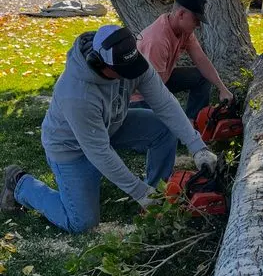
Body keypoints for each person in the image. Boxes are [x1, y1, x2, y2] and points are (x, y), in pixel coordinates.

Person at [0, 24, 217, 234]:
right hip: (71, 147)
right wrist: (138, 191)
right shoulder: (77, 94)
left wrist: (197, 147)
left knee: (163, 127)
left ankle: (158, 195)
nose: (131, 75)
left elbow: (164, 103)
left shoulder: (129, 59)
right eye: (124, 72)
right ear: (100, 64)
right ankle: (20, 183)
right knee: (82, 223)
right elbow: (99, 152)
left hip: (111, 124)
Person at [129, 0, 234, 122]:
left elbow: (201, 60)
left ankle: (195, 122)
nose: (198, 25)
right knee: (163, 128)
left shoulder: (184, 31)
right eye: (196, 20)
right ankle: (187, 127)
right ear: (181, 14)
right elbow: (154, 91)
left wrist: (222, 88)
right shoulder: (157, 40)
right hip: (141, 96)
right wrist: (180, 120)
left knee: (202, 77)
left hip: (161, 79)